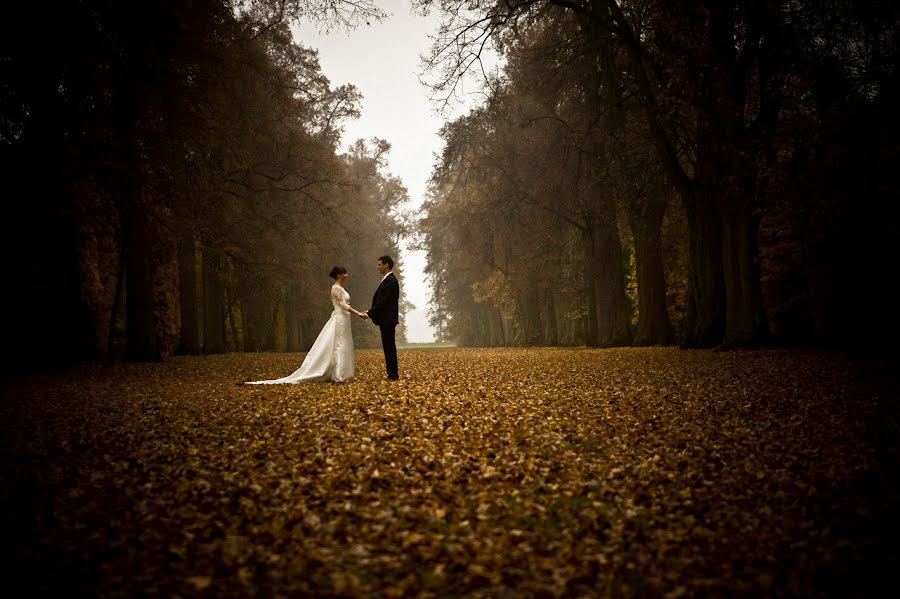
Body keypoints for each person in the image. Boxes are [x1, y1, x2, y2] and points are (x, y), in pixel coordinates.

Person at [246, 267, 366, 384]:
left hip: (344, 319)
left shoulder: (340, 288)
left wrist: (358, 313)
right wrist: (358, 313)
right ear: (339, 275)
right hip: (340, 318)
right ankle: (338, 375)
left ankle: (344, 373)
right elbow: (343, 305)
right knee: (339, 344)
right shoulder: (336, 288)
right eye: (345, 273)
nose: (347, 275)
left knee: (344, 344)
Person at [363, 255, 400, 380]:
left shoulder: (391, 281)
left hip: (388, 320)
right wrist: (370, 312)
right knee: (388, 346)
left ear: (386, 265)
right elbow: (381, 301)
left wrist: (369, 313)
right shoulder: (388, 280)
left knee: (389, 347)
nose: (377, 267)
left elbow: (382, 302)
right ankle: (391, 373)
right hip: (386, 320)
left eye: (379, 265)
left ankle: (393, 374)